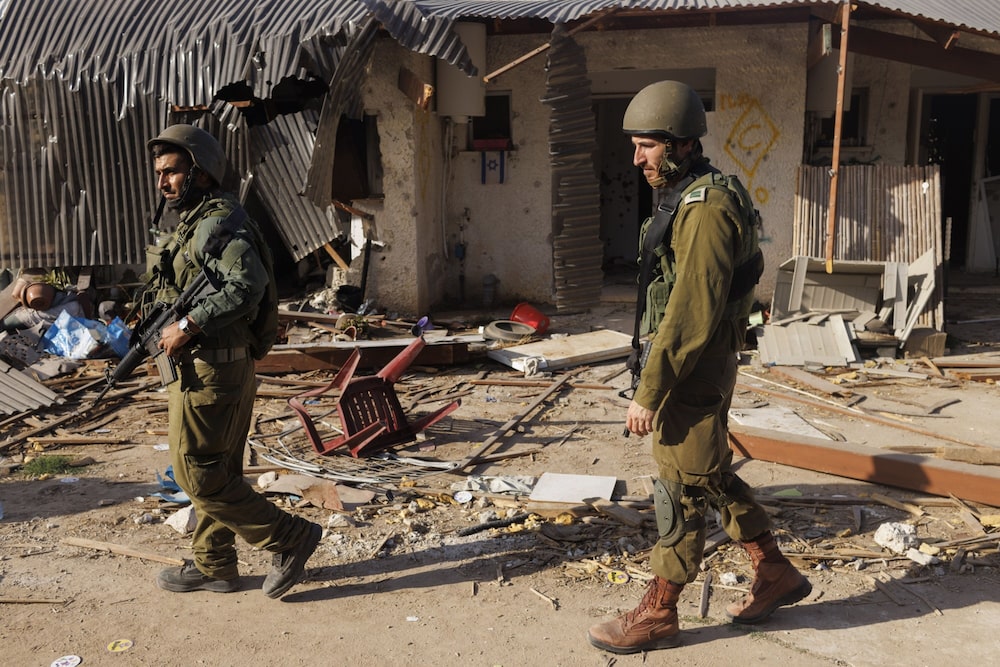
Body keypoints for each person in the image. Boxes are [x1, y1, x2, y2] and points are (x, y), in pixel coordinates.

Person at [587, 81, 811, 654]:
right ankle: (774, 570)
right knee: (705, 473)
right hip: (686, 361)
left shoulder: (707, 208)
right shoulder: (687, 195)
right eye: (635, 146)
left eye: (647, 146)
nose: (636, 158)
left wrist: (651, 389)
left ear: (682, 144)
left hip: (692, 367)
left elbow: (693, 308)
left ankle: (659, 612)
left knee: (680, 486)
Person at [146, 124, 322, 598]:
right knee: (217, 472)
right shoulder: (200, 222)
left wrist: (186, 327)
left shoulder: (216, 222)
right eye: (159, 173)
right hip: (214, 368)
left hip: (212, 372)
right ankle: (215, 565)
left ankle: (291, 537)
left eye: (172, 172)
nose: (163, 183)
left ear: (200, 174)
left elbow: (247, 285)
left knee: (196, 473)